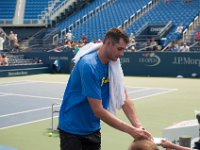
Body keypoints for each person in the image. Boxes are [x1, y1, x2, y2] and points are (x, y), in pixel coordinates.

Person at [58, 27, 152, 150]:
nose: (121, 54)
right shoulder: (89, 65)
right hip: (72, 129)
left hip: (93, 127)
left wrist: (140, 128)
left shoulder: (114, 65)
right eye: (119, 49)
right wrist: (132, 131)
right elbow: (98, 110)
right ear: (108, 43)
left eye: (123, 50)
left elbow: (124, 98)